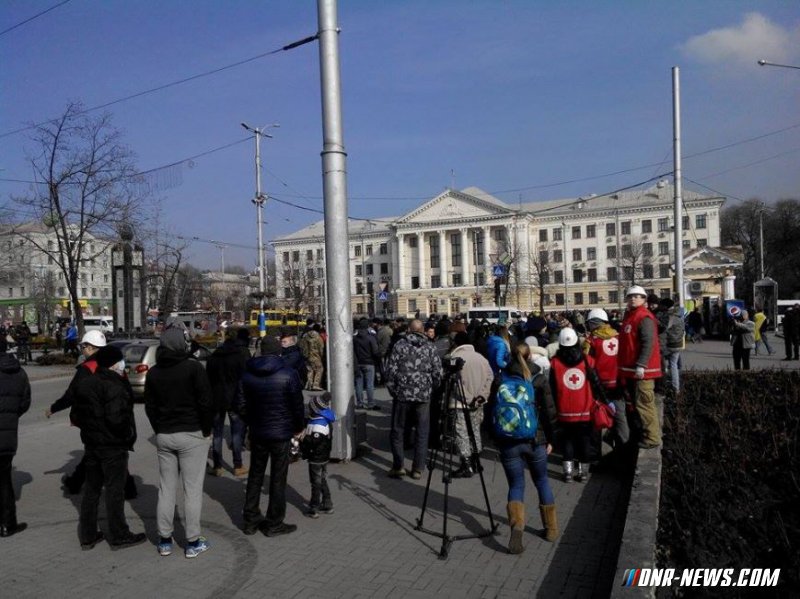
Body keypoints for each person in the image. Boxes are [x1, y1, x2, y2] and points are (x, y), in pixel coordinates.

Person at [145, 328, 214, 559]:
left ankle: (164, 540)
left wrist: (159, 429)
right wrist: (206, 430)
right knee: (192, 490)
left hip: (165, 434)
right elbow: (206, 402)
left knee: (166, 488)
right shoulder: (193, 367)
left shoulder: (154, 372)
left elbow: (149, 407)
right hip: (192, 433)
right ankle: (192, 542)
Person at [72, 345, 144, 550]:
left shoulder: (86, 383)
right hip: (112, 446)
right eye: (120, 361)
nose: (123, 364)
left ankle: (87, 535)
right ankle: (119, 534)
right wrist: (126, 434)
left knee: (92, 490)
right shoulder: (114, 385)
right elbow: (116, 419)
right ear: (113, 363)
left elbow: (76, 415)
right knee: (114, 490)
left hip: (92, 444)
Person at [494, 342, 558, 552]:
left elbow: (490, 414)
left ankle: (517, 527)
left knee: (516, 485)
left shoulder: (500, 379)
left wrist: (496, 439)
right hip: (535, 440)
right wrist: (552, 439)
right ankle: (550, 529)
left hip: (509, 441)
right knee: (542, 481)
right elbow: (549, 413)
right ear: (530, 356)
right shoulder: (538, 378)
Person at [238, 336, 304, 537]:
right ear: (278, 352)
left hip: (258, 431)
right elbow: (297, 404)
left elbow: (239, 404)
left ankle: (250, 520)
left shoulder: (247, 374)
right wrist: (298, 426)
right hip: (281, 433)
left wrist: (252, 420)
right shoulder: (288, 373)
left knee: (255, 475)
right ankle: (274, 522)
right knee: (278, 477)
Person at [551, 328, 611, 482]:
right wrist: (606, 401)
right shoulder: (587, 361)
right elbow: (597, 383)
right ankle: (583, 473)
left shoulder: (554, 363)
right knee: (585, 441)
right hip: (585, 410)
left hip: (563, 411)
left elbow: (551, 389)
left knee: (567, 442)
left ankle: (568, 473)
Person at [385, 319, 443, 479]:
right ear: (423, 330)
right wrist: (431, 389)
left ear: (409, 330)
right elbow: (438, 373)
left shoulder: (399, 346)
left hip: (402, 395)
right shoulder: (431, 347)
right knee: (422, 432)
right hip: (423, 396)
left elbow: (390, 370)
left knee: (398, 430)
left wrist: (393, 391)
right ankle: (418, 468)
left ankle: (399, 466)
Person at [618, 285, 663, 450]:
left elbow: (648, 343)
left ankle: (652, 437)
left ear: (644, 299)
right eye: (630, 296)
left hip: (642, 371)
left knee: (644, 404)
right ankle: (645, 434)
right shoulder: (630, 316)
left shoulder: (644, 317)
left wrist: (642, 365)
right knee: (637, 405)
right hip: (631, 370)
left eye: (637, 296)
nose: (633, 299)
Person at [445, 332, 493, 478]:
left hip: (459, 402)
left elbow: (453, 383)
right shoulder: (481, 358)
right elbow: (490, 377)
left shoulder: (454, 359)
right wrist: (481, 396)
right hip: (478, 402)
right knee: (475, 430)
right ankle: (476, 461)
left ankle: (466, 465)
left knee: (462, 433)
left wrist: (468, 398)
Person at [582, 308, 628, 448]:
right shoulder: (619, 337)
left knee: (600, 418)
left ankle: (601, 451)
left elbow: (586, 364)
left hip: (599, 386)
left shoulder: (590, 342)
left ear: (594, 323)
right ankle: (625, 448)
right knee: (621, 418)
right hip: (620, 384)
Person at [206, 330, 248, 478]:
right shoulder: (238, 357)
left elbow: (208, 381)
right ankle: (238, 465)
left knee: (216, 433)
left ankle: (217, 466)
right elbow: (243, 380)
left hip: (216, 400)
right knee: (236, 433)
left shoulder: (213, 358)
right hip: (234, 399)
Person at [0, 338, 31, 537]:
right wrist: (10, 416)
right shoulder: (19, 372)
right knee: (4, 480)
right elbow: (25, 402)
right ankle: (6, 524)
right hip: (7, 437)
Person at [300, 393, 335, 518]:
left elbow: (314, 442)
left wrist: (303, 438)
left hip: (316, 458)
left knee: (315, 483)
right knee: (322, 480)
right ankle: (327, 503)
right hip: (323, 457)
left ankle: (313, 508)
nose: (308, 409)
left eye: (309, 408)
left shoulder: (319, 425)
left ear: (314, 410)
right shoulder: (322, 420)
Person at [656, 298, 685, 392]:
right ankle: (676, 388)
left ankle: (669, 385)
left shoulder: (670, 317)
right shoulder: (679, 316)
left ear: (665, 306)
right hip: (678, 344)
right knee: (674, 365)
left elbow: (664, 328)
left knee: (664, 364)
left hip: (670, 345)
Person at [353, 318, 381, 410]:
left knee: (359, 384)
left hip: (358, 363)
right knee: (369, 384)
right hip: (369, 363)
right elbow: (375, 351)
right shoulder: (370, 338)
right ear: (367, 326)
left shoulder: (355, 338)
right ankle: (370, 403)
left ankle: (360, 403)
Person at [298, 324, 325, 391]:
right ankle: (316, 384)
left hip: (307, 356)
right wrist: (321, 355)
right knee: (319, 369)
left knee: (310, 370)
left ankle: (309, 384)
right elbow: (321, 348)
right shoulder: (318, 337)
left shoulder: (306, 336)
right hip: (315, 356)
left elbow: (301, 345)